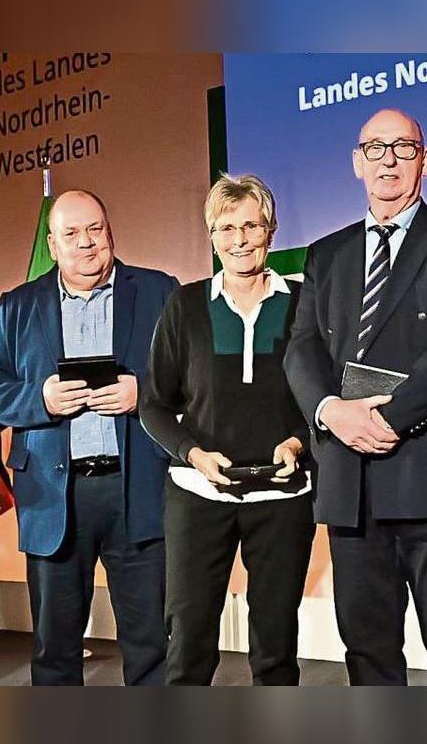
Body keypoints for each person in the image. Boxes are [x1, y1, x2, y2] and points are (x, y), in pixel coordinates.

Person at [284, 108, 427, 685]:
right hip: (351, 478)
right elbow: (301, 348)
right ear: (357, 163)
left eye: (403, 148)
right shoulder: (326, 254)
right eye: (375, 148)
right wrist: (332, 413)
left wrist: (387, 417)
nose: (388, 160)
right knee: (368, 653)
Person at [0, 189, 178, 686]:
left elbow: (194, 377)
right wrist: (38, 400)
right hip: (53, 495)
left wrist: (142, 391)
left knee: (151, 642)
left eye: (94, 230)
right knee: (55, 648)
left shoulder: (159, 291)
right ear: (52, 243)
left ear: (109, 232)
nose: (86, 243)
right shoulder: (18, 306)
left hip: (137, 487)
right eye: (71, 234)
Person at [140, 174, 315, 685]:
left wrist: (299, 441)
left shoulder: (304, 301)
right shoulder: (186, 306)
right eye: (225, 228)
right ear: (212, 237)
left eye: (251, 225)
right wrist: (193, 454)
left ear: (271, 231)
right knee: (189, 644)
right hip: (198, 496)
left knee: (276, 647)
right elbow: (153, 405)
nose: (239, 239)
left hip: (283, 499)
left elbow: (321, 397)